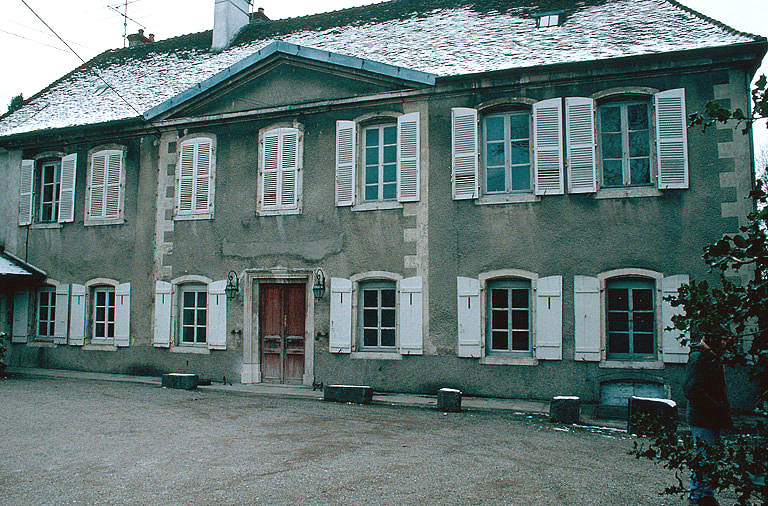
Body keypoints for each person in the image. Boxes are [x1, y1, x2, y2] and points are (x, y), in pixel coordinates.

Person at [683, 337, 732, 506]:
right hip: (702, 417)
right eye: (723, 339)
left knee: (710, 457)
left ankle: (706, 495)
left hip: (711, 416)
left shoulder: (711, 356)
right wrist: (715, 406)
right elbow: (691, 389)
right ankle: (697, 497)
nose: (726, 343)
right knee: (703, 458)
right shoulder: (699, 357)